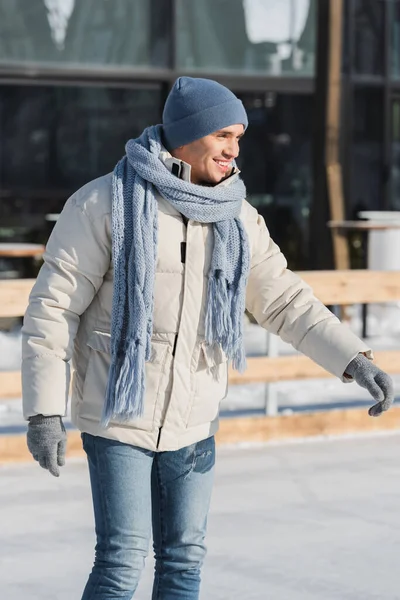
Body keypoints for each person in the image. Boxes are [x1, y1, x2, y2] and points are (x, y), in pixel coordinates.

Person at [22, 77, 394, 600]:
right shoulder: (105, 204)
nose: (233, 150)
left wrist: (354, 359)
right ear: (186, 135)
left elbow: (286, 301)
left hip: (195, 418)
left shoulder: (239, 218)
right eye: (222, 135)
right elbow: (52, 309)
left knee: (183, 562)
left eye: (238, 137)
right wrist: (43, 411)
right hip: (118, 413)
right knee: (122, 562)